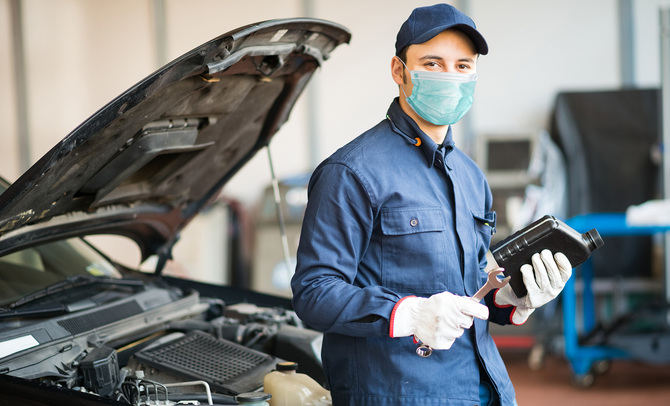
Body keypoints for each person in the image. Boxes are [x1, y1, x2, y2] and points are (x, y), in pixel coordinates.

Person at [291, 4, 572, 405]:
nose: (449, 77)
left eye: (463, 66)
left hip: (483, 389)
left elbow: (472, 286)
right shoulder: (351, 172)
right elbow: (313, 294)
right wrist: (410, 315)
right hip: (397, 393)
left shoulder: (470, 176)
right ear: (398, 71)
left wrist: (516, 298)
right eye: (432, 63)